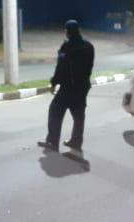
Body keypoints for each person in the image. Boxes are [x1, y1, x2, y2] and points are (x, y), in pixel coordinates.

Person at [39, 20, 95, 152]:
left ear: (68, 32)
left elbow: (61, 68)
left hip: (68, 88)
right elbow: (90, 66)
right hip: (82, 87)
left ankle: (53, 142)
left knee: (55, 111)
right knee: (79, 115)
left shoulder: (66, 47)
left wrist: (53, 83)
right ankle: (76, 141)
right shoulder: (89, 46)